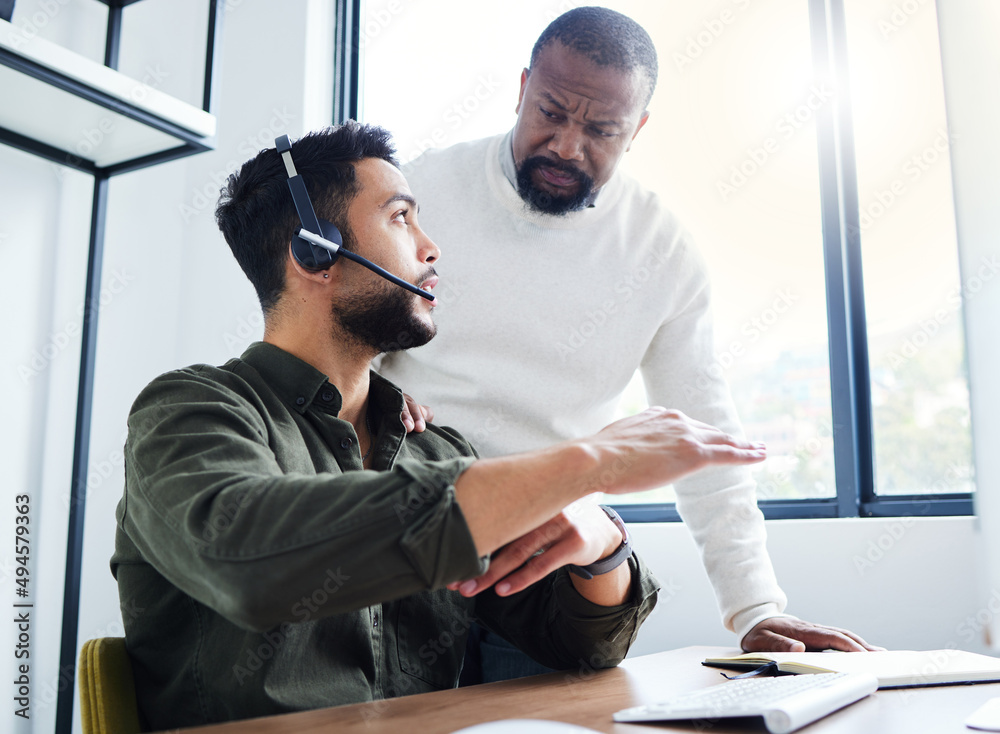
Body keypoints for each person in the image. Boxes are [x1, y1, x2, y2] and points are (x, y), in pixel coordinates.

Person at [110, 122, 770, 730]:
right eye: (401, 219)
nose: (432, 248)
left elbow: (574, 642)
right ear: (315, 252)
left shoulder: (434, 449)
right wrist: (588, 462)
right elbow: (248, 560)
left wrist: (602, 541)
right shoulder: (189, 413)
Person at [377, 7, 878, 674]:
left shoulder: (661, 251)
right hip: (411, 515)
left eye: (601, 130)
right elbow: (337, 343)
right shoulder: (417, 193)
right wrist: (375, 389)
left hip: (546, 551)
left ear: (637, 129)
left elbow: (702, 439)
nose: (566, 145)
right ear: (522, 88)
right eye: (550, 112)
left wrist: (756, 608)